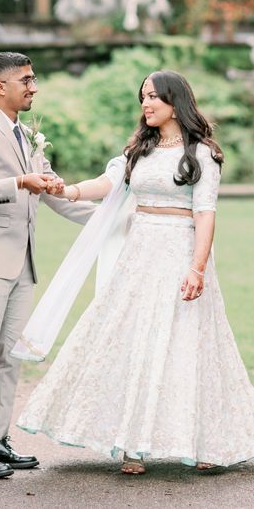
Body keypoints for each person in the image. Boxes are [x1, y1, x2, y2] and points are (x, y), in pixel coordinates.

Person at [16, 70, 254, 474]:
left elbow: (205, 214)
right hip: (140, 251)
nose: (146, 104)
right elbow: (107, 185)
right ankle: (132, 445)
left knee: (188, 342)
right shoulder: (138, 151)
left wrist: (197, 269)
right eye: (142, 97)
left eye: (154, 97)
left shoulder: (202, 154)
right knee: (130, 336)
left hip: (181, 250)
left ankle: (208, 440)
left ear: (175, 102)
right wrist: (65, 189)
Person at [0, 51, 95, 478]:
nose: (34, 87)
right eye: (27, 80)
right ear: (0, 87)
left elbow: (53, 195)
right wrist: (18, 182)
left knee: (8, 355)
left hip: (22, 261)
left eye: (33, 80)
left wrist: (115, 219)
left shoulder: (26, 133)